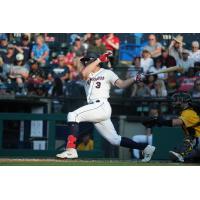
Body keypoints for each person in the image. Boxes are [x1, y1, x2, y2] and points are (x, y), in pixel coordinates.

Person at [56, 51, 156, 162]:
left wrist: (134, 79)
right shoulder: (87, 73)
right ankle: (146, 148)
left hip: (101, 105)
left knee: (72, 115)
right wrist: (99, 59)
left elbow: (121, 84)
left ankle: (71, 150)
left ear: (94, 61)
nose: (85, 63)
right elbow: (84, 74)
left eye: (87, 61)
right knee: (114, 139)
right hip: (95, 108)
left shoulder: (107, 73)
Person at [143, 93, 200, 163]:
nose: (175, 102)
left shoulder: (189, 112)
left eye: (177, 100)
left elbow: (176, 122)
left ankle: (182, 155)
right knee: (179, 154)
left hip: (197, 140)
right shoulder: (186, 111)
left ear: (185, 102)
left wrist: (158, 121)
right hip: (196, 141)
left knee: (188, 142)